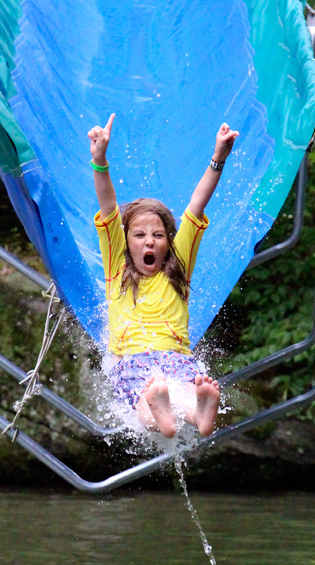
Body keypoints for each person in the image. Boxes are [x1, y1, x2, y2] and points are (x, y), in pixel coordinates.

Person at [88, 113, 238, 438]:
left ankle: (192, 414)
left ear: (170, 241)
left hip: (171, 357)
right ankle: (171, 413)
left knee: (172, 392)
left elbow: (196, 205)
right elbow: (109, 204)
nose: (149, 241)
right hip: (134, 359)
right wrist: (99, 160)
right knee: (153, 395)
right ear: (126, 241)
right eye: (139, 234)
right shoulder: (117, 265)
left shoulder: (178, 265)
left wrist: (218, 159)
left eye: (158, 234)